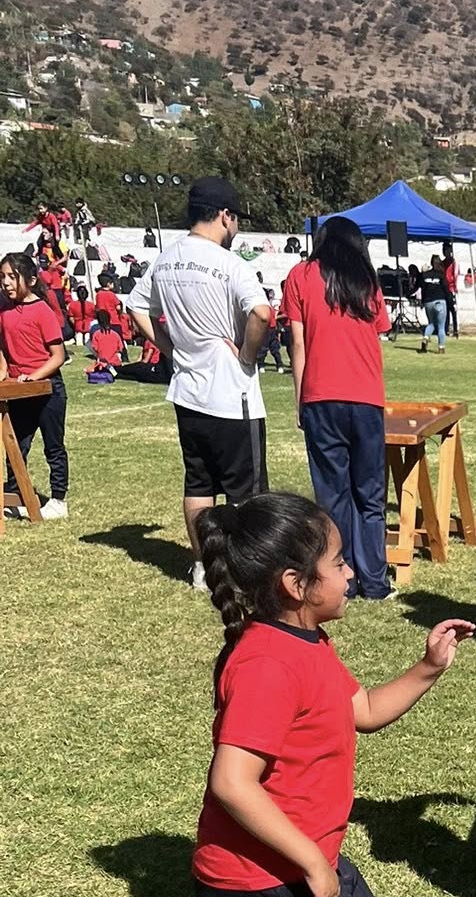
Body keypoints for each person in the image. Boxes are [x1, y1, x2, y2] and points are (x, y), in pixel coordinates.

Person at [114, 493, 473, 897]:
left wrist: (428, 666)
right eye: (338, 563)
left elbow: (362, 710)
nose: (350, 572)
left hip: (303, 861)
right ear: (294, 584)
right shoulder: (268, 666)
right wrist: (311, 861)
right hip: (258, 882)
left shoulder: (307, 642)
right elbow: (233, 783)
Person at [126, 175, 273, 591]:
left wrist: (170, 349)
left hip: (187, 392)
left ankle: (202, 567)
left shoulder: (166, 259)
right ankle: (245, 569)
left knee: (198, 484)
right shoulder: (230, 264)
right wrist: (247, 355)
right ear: (225, 216)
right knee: (246, 493)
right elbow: (262, 313)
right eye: (236, 219)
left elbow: (136, 307)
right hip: (232, 395)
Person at [281, 214, 396, 602]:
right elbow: (379, 331)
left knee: (332, 496)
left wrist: (300, 398)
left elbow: (298, 344)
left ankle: (341, 579)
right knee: (371, 495)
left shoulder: (300, 275)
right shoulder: (366, 280)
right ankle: (376, 580)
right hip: (366, 396)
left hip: (321, 395)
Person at [0, 251, 69, 518]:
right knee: (16, 445)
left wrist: (35, 375)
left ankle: (58, 500)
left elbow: (58, 356)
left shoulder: (42, 310)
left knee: (53, 446)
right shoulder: (4, 311)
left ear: (30, 280)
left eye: (12, 276)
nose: (6, 282)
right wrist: (4, 370)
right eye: (2, 276)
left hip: (48, 390)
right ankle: (17, 494)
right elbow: (3, 347)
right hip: (20, 390)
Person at [417, 253, 449, 353]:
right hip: (440, 300)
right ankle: (441, 347)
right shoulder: (441, 274)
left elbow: (421, 288)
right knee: (441, 326)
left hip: (428, 301)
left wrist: (422, 301)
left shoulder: (425, 275)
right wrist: (450, 301)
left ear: (431, 263)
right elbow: (446, 288)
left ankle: (426, 337)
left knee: (431, 323)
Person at [441, 241, 459, 339]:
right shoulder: (443, 263)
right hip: (444, 288)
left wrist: (455, 288)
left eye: (446, 250)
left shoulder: (453, 262)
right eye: (444, 250)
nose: (445, 252)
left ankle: (455, 330)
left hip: (451, 288)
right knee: (446, 310)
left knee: (453, 310)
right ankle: (446, 329)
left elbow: (455, 275)